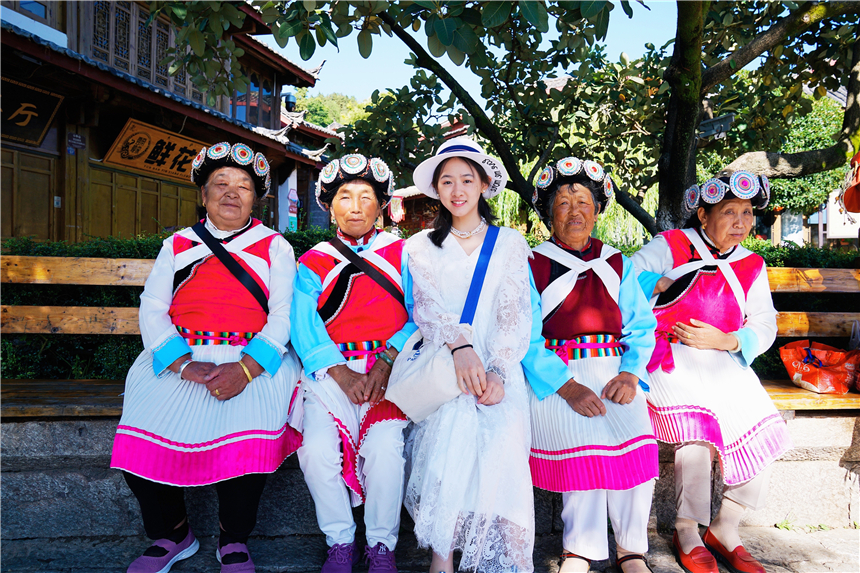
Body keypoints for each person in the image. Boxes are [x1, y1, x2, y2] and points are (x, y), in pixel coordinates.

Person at [111, 142, 303, 573]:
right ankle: (174, 533)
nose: (231, 193)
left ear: (257, 198)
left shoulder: (275, 246)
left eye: (243, 186)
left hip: (250, 357)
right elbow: (153, 307)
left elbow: (284, 313)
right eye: (220, 184)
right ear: (203, 195)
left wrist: (246, 369)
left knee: (249, 435)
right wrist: (181, 362)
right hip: (183, 355)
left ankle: (232, 539)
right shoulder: (177, 244)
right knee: (138, 441)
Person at [630, 172, 793, 573]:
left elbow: (763, 323)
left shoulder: (752, 263)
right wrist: (661, 281)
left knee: (767, 427)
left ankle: (725, 527)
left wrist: (727, 341)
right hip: (669, 358)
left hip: (723, 360)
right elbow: (626, 276)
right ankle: (686, 529)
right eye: (730, 212)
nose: (741, 221)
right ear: (703, 215)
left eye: (748, 212)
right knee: (696, 429)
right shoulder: (670, 245)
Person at [521, 158, 658, 573]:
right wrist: (568, 386)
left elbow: (641, 326)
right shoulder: (531, 264)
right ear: (548, 214)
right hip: (559, 375)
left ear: (598, 210)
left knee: (638, 439)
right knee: (583, 444)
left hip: (615, 371)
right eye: (562, 202)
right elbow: (524, 338)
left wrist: (631, 374)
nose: (574, 210)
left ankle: (631, 549)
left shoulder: (619, 263)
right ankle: (580, 549)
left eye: (583, 200)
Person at [404, 137, 535, 573]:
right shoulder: (419, 246)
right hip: (445, 369)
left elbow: (514, 314)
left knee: (504, 470)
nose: (457, 190)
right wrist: (461, 349)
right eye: (447, 181)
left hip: (501, 373)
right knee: (446, 467)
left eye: (466, 179)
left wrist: (497, 368)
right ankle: (441, 565)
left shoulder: (511, 243)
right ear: (436, 190)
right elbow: (427, 308)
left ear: (483, 184)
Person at [291, 154, 416, 573]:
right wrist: (340, 372)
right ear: (330, 206)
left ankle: (381, 544)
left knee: (384, 449)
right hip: (331, 375)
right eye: (345, 196)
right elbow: (301, 321)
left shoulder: (406, 255)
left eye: (367, 196)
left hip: (391, 373)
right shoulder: (312, 261)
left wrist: (385, 360)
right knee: (315, 451)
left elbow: (423, 314)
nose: (357, 206)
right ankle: (340, 541)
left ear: (383, 204)